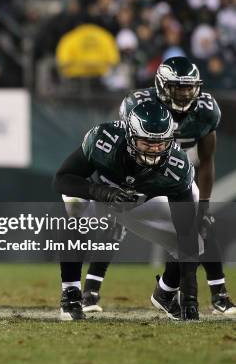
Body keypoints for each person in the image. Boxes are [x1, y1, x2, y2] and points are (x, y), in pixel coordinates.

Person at [81, 56, 234, 317]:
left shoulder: (206, 110)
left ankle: (218, 294)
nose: (186, 94)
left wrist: (205, 206)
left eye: (189, 87)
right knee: (111, 226)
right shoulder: (138, 105)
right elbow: (123, 145)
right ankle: (90, 291)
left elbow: (207, 161)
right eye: (178, 87)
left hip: (175, 176)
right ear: (163, 86)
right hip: (137, 173)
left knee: (200, 225)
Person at [54, 101, 201, 321]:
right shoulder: (105, 139)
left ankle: (165, 293)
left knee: (196, 241)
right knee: (74, 203)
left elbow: (186, 233)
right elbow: (62, 180)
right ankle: (71, 295)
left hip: (140, 204)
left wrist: (190, 296)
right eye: (146, 142)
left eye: (160, 143)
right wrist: (103, 192)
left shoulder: (177, 168)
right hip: (99, 199)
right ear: (130, 136)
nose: (154, 149)